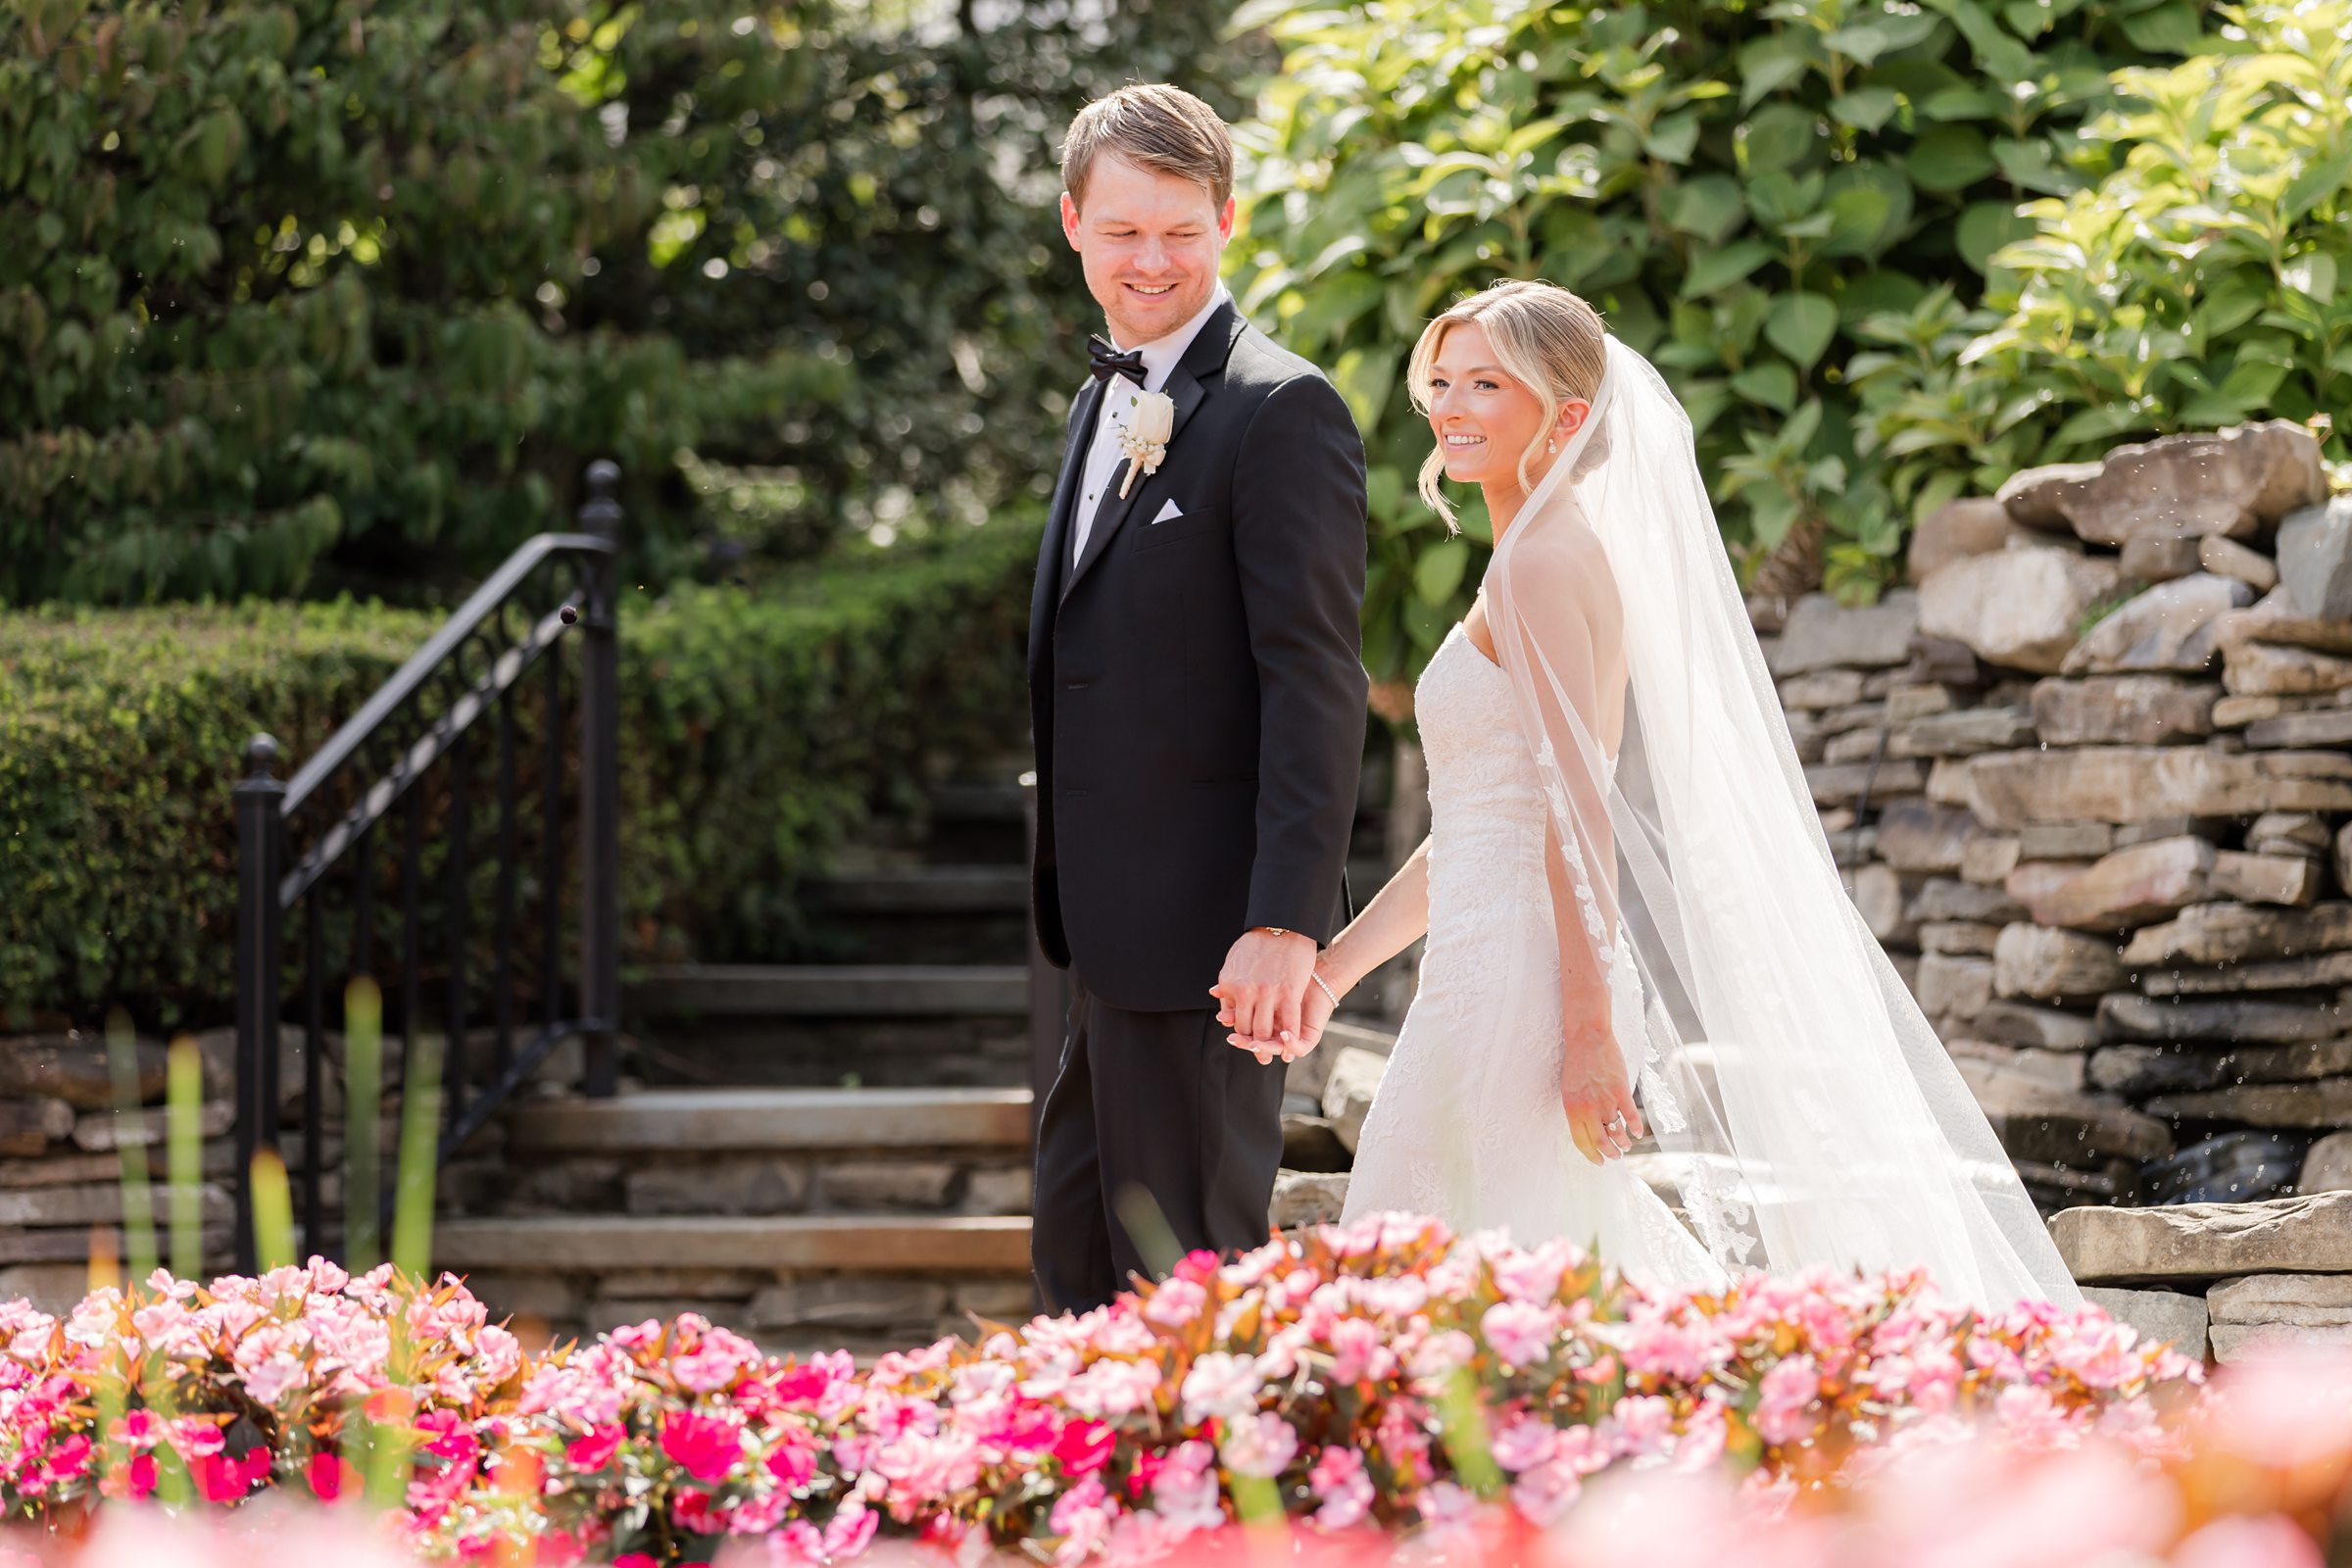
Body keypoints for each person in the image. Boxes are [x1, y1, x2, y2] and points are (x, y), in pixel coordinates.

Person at [1228, 279, 2081, 1310]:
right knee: (1509, 1261)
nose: (1450, 405)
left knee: (1427, 1266)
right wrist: (1335, 969)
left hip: (1520, 973)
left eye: (1486, 383)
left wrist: (1591, 1030)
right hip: (1490, 956)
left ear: (1567, 414)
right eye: (1441, 380)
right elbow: (1481, 821)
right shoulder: (1535, 554)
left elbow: (1576, 813)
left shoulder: (1538, 565)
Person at [1027, 84, 1369, 1314]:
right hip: (1109, 936)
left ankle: (1230, 1511)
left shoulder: (1283, 409)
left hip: (1218, 945)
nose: (1152, 260)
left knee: (1189, 1296)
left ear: (1227, 219)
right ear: (1073, 223)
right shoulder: (1098, 404)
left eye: (1181, 230)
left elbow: (1315, 677)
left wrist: (1284, 919)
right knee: (1077, 1275)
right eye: (1123, 232)